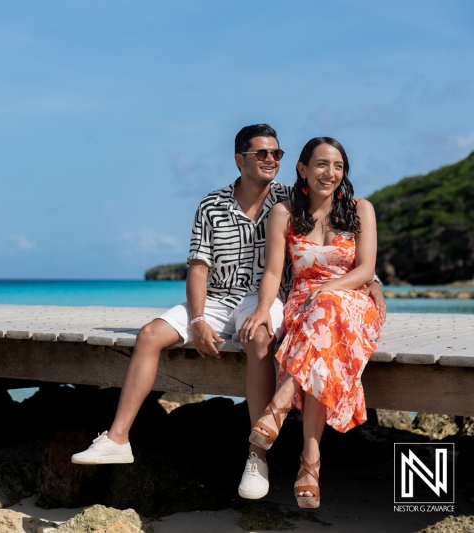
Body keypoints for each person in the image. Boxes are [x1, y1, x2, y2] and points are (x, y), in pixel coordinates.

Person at [71, 123, 385, 500]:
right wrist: (199, 318)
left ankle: (259, 453)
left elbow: (353, 253)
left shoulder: (291, 198)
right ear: (240, 160)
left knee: (260, 337)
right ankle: (117, 438)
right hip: (222, 299)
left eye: (277, 155)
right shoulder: (221, 204)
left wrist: (373, 281)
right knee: (149, 334)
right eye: (262, 154)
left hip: (274, 299)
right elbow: (198, 268)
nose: (271, 161)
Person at [238, 136, 385, 509]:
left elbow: (366, 269)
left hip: (352, 303)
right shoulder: (284, 213)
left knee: (329, 308)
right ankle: (310, 462)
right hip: (305, 305)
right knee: (320, 336)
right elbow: (273, 272)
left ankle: (282, 402)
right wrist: (262, 308)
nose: (330, 173)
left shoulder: (361, 209)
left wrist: (331, 289)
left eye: (337, 166)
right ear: (302, 169)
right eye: (321, 164)